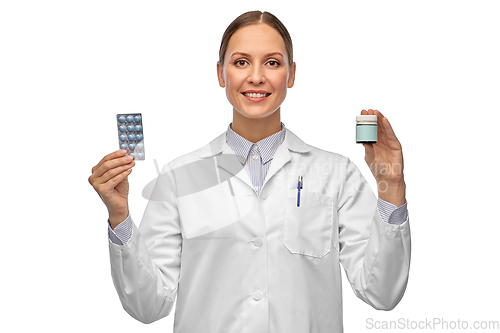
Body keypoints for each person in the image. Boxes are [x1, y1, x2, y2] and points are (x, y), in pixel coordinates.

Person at [89, 10, 410, 333]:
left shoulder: (335, 174)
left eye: (272, 62)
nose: (256, 77)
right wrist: (120, 218)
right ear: (220, 73)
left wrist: (391, 186)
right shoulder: (179, 177)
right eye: (241, 62)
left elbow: (381, 292)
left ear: (291, 74)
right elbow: (148, 305)